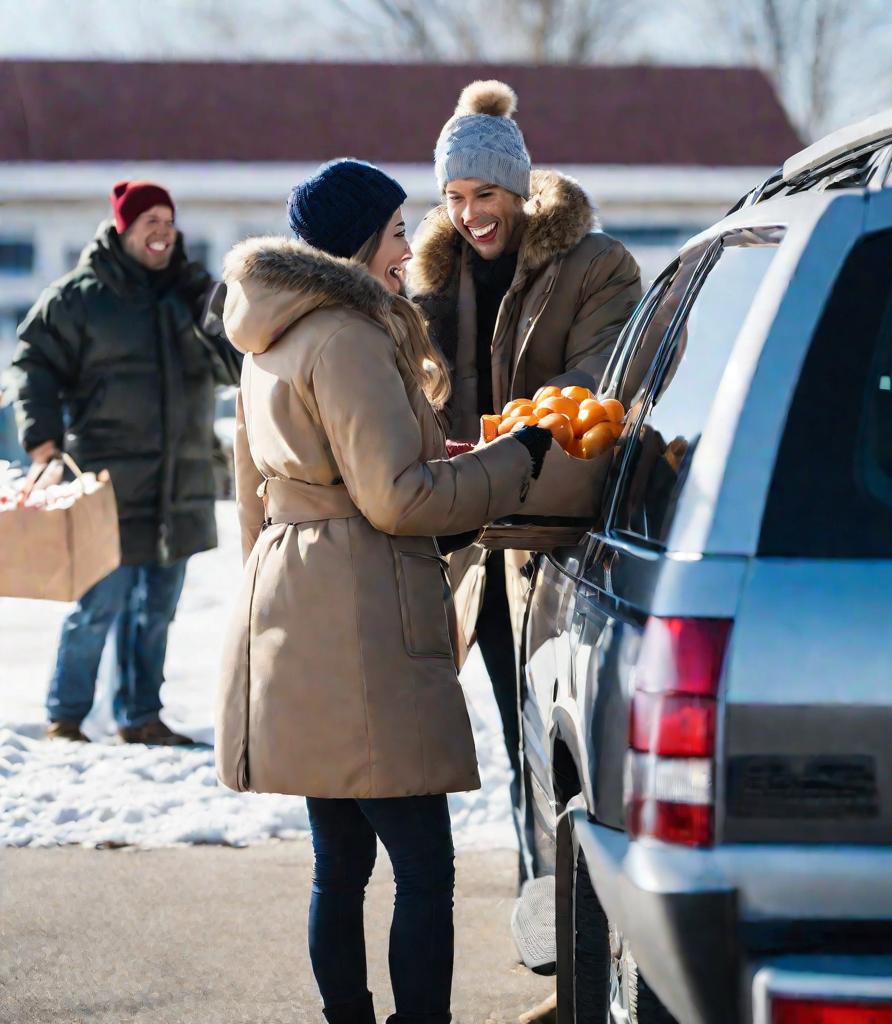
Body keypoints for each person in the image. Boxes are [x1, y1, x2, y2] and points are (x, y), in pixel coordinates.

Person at [214, 158, 553, 1024]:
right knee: (424, 866)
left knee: (339, 863)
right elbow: (397, 499)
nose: (409, 249)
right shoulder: (349, 335)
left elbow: (259, 497)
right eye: (399, 230)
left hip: (293, 607)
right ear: (361, 240)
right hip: (362, 611)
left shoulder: (269, 338)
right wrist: (520, 460)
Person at [408, 80, 642, 883]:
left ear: (518, 188)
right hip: (472, 544)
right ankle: (542, 920)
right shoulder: (432, 284)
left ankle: (570, 942)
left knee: (565, 749)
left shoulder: (595, 264)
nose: (471, 213)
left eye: (485, 194)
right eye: (454, 196)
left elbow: (595, 384)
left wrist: (490, 443)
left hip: (562, 545)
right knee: (517, 744)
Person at [8, 180, 239, 745]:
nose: (161, 231)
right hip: (104, 481)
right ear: (121, 227)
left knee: (157, 609)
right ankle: (67, 716)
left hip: (179, 477)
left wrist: (217, 309)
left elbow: (238, 364)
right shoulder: (80, 297)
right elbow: (32, 361)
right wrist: (41, 437)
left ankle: (141, 717)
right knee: (97, 606)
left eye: (168, 220)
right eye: (148, 221)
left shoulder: (193, 292)